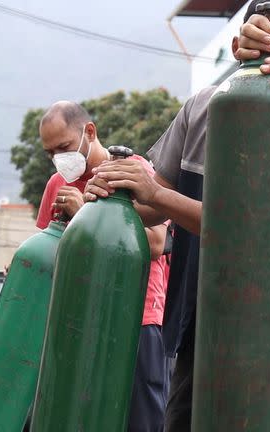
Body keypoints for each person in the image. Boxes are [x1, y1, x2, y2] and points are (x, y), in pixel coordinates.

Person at [84, 2, 270, 430]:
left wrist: (154, 194)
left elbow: (250, 231)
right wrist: (116, 188)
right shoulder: (202, 106)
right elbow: (150, 198)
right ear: (240, 48)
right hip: (200, 316)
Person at [37, 101, 170, 432]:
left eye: (64, 147)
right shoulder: (56, 185)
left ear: (90, 132)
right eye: (50, 152)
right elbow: (47, 247)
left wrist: (87, 212)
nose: (58, 158)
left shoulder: (132, 170)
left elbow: (155, 243)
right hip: (77, 320)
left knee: (142, 419)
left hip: (137, 318)